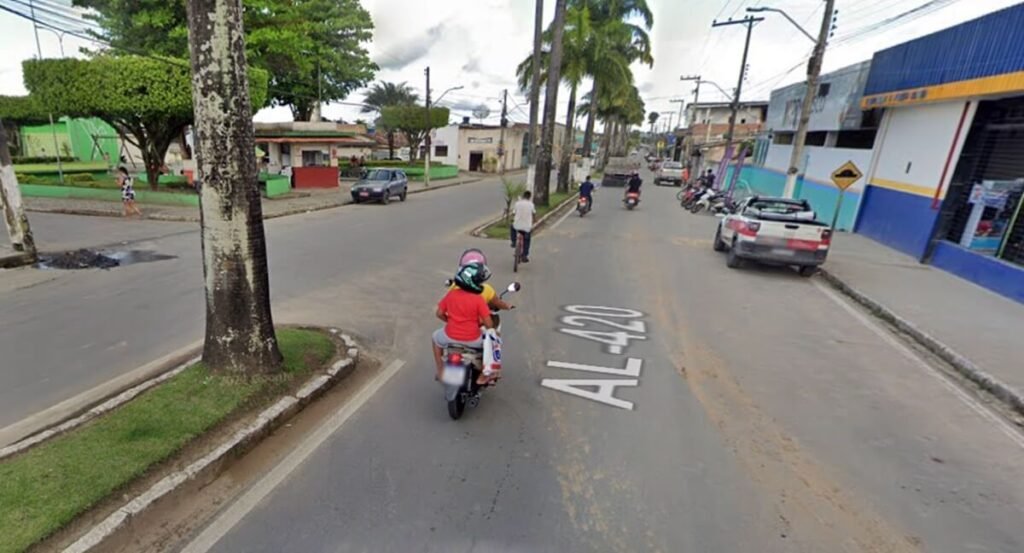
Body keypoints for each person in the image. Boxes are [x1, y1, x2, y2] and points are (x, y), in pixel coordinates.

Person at [432, 262, 495, 382]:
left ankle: (440, 371)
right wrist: (483, 325)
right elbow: (489, 324)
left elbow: (439, 313)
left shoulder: (451, 295)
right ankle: (485, 374)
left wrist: (450, 321)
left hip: (449, 336)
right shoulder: (478, 300)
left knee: (435, 338)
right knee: (493, 341)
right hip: (473, 339)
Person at [511, 190, 535, 262]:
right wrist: (534, 221)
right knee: (527, 240)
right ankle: (524, 255)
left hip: (517, 225)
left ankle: (513, 241)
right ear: (529, 197)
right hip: (527, 226)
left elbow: (513, 213)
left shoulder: (517, 203)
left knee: (512, 227)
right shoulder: (531, 204)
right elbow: (534, 213)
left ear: (523, 196)